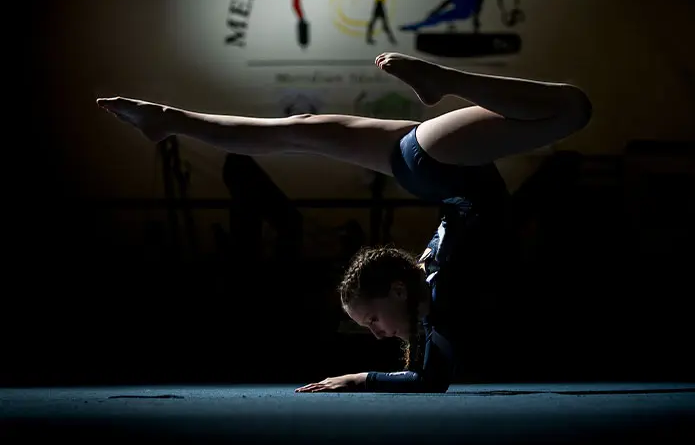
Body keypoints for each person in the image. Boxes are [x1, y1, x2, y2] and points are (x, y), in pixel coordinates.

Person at [97, 52, 592, 393]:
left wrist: (359, 377)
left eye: (368, 321)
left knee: (293, 133)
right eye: (372, 321)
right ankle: (170, 119)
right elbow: (430, 380)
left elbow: (426, 375)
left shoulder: (431, 283)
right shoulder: (440, 296)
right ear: (397, 291)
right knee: (571, 106)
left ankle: (168, 120)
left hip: (438, 167)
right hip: (434, 166)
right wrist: (360, 379)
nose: (375, 334)